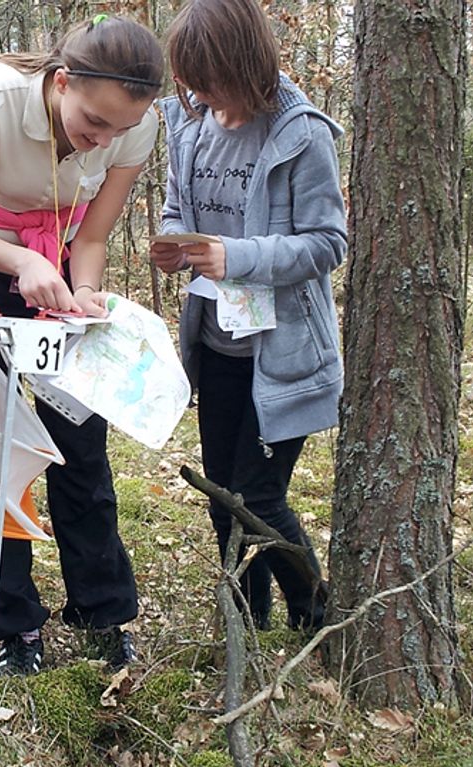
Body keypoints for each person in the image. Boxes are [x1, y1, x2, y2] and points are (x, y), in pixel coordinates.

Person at [0, 15, 165, 675]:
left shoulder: (137, 125)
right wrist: (18, 267)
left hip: (59, 271)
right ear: (62, 81)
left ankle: (103, 612)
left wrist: (85, 291)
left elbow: (91, 236)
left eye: (119, 130)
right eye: (93, 122)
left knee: (80, 443)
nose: (103, 139)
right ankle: (11, 627)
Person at [150, 0, 346, 631]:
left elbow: (327, 244)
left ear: (244, 63)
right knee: (219, 496)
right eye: (191, 82)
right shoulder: (191, 124)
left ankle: (314, 613)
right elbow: (180, 209)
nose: (201, 94)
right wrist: (176, 246)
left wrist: (236, 255)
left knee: (257, 496)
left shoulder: (301, 134)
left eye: (210, 80)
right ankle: (246, 622)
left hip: (281, 350)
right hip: (216, 343)